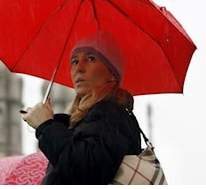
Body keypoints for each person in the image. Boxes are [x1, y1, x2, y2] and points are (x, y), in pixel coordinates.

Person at [21, 31, 142, 185]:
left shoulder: (110, 113)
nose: (79, 67)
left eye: (90, 59)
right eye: (74, 61)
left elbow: (87, 170)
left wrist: (46, 127)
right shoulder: (87, 120)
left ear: (112, 73)